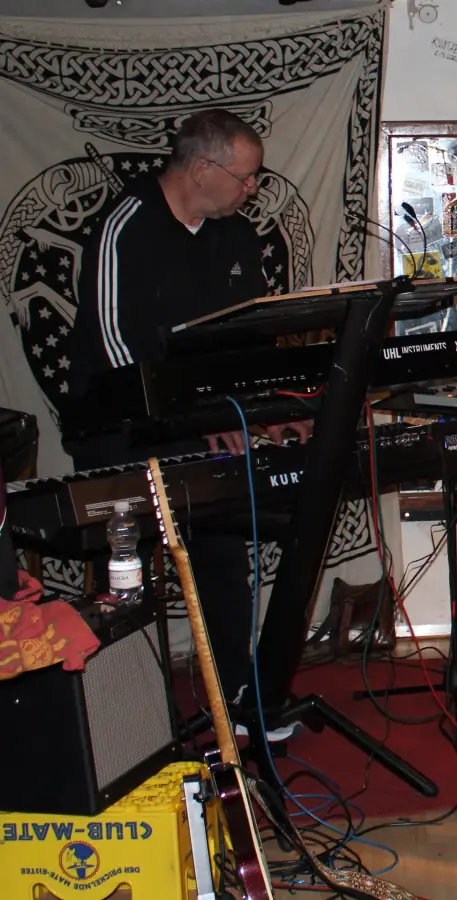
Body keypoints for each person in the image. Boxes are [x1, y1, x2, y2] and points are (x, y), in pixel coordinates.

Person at [66, 109, 308, 735]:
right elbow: (117, 351)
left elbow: (248, 339)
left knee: (221, 544)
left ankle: (237, 695)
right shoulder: (126, 226)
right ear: (202, 169)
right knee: (139, 562)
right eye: (245, 177)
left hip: (199, 427)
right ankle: (129, 716)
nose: (252, 189)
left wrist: (267, 412)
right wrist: (191, 423)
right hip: (119, 429)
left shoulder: (237, 235)